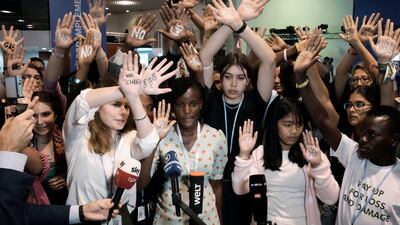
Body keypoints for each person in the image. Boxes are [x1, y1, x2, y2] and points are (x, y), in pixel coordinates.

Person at [293, 21, 400, 225]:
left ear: (394, 139)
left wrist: (385, 64)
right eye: (364, 133)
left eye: (372, 135)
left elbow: (387, 101)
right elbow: (322, 119)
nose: (363, 138)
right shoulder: (354, 155)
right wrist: (300, 76)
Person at [63, 51, 175, 225]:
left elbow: (149, 142)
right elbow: (83, 100)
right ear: (99, 108)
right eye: (116, 105)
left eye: (127, 107)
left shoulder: (128, 139)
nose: (123, 112)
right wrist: (124, 90)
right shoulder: (78, 134)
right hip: (83, 220)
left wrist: (134, 96)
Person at [200, 0, 274, 223]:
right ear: (220, 80)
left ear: (248, 81)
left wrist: (240, 26)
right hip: (211, 182)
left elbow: (269, 60)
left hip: (244, 181)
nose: (233, 84)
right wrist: (230, 24)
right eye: (228, 77)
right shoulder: (210, 99)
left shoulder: (256, 101)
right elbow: (205, 57)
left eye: (240, 78)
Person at [0, 99, 119, 225]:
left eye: (45, 114)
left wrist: (68, 180)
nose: (40, 122)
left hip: (60, 203)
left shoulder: (67, 138)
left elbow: (23, 213)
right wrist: (12, 142)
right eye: (34, 116)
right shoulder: (24, 142)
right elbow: (39, 168)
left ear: (55, 115)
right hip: (36, 199)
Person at [232, 97, 339, 225]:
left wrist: (317, 165)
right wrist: (244, 155)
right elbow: (239, 189)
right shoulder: (260, 153)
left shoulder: (312, 154)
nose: (294, 131)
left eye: (299, 124)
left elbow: (331, 198)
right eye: (288, 124)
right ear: (275, 125)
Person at [141, 77, 228, 224]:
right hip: (168, 219)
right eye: (180, 104)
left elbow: (216, 185)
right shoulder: (162, 136)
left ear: (200, 104)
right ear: (173, 107)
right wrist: (154, 141)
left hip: (205, 219)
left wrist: (219, 220)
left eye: (193, 104)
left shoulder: (216, 137)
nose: (187, 111)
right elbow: (141, 184)